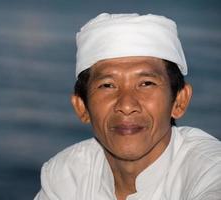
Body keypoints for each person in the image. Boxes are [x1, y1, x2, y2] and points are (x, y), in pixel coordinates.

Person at [34, 13, 221, 200]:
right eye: (108, 85)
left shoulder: (211, 170)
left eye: (146, 83)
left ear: (179, 101)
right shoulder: (66, 175)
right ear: (82, 107)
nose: (126, 105)